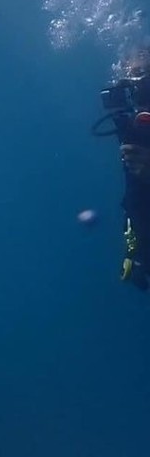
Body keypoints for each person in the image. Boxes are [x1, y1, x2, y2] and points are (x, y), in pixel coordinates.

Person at [94, 50, 150, 289]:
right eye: (133, 91)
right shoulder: (130, 131)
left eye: (146, 87)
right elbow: (134, 200)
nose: (141, 102)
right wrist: (135, 251)